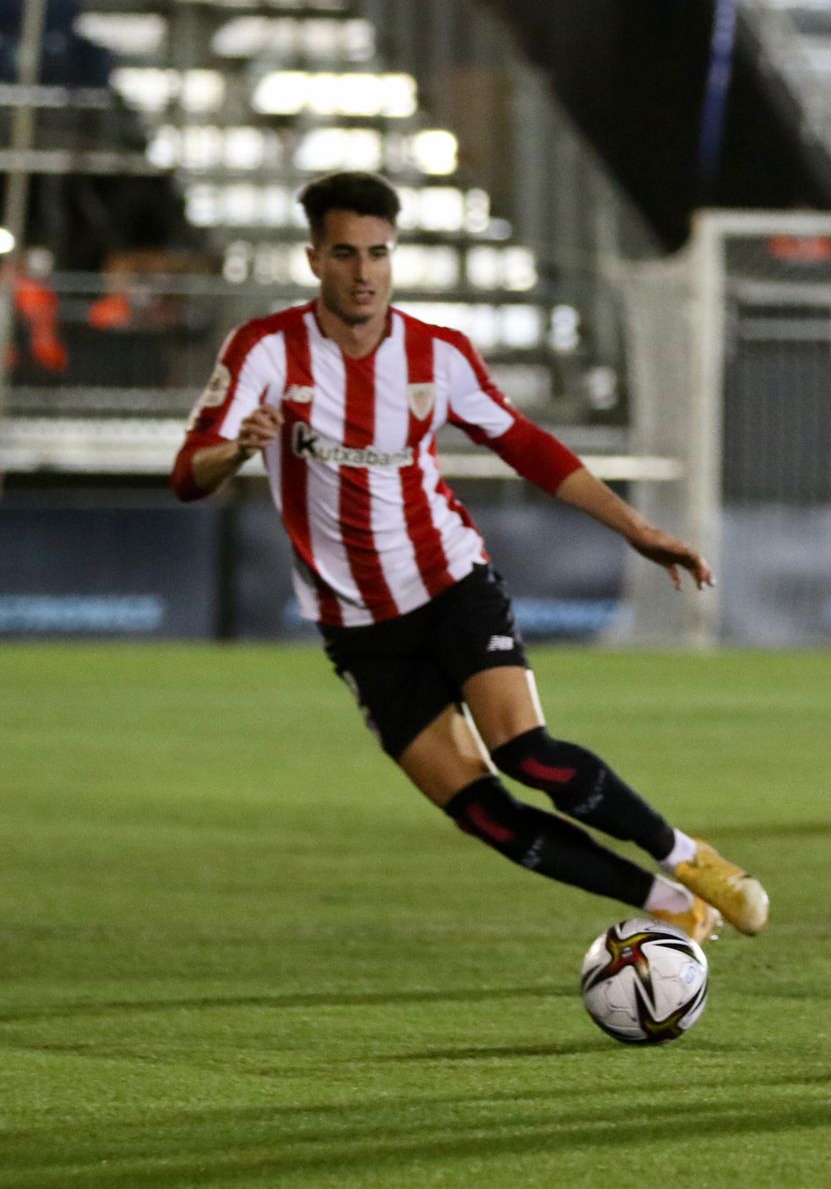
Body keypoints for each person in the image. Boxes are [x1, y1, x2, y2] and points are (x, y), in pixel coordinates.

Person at [171, 171, 767, 943]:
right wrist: (236, 453)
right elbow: (188, 472)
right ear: (315, 258)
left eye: (378, 254)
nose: (365, 273)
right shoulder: (265, 349)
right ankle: (670, 909)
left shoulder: (436, 354)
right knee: (483, 814)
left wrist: (633, 527)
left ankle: (690, 860)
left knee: (526, 751)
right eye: (346, 254)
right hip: (358, 627)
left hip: (449, 581)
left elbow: (527, 446)